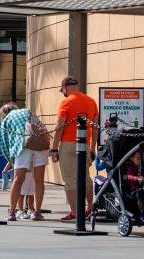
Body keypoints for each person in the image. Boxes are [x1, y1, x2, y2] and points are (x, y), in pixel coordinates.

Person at [49, 75, 98, 222]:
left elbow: (59, 128)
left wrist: (54, 149)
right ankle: (90, 208)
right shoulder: (91, 101)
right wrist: (92, 147)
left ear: (65, 88)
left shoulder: (66, 102)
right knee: (86, 178)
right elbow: (95, 128)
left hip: (69, 144)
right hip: (85, 144)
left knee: (70, 180)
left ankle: (75, 212)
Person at [0, 102, 49, 221]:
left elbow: (4, 144)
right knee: (39, 180)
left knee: (18, 179)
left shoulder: (7, 120)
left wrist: (11, 159)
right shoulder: (27, 111)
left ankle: (12, 212)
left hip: (23, 146)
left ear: (4, 114)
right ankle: (37, 212)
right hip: (40, 145)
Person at [120, 148, 144, 223]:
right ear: (132, 159)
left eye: (141, 158)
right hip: (135, 190)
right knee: (140, 193)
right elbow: (128, 176)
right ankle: (143, 213)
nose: (140, 160)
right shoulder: (131, 167)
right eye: (138, 158)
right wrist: (137, 178)